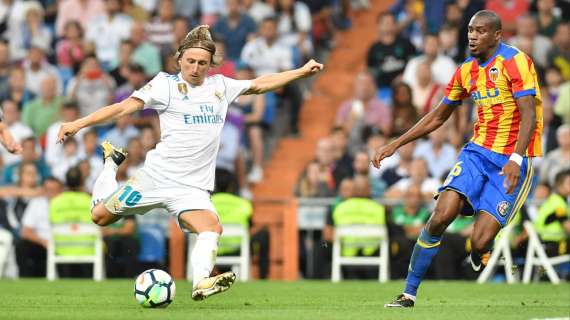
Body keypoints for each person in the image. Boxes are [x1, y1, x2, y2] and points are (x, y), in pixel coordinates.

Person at [57, 25, 323, 300]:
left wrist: (301, 71)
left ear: (211, 65)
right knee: (99, 216)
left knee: (211, 227)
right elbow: (124, 107)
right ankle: (112, 164)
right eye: (191, 61)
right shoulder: (164, 85)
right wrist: (79, 123)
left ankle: (201, 282)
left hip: (191, 187)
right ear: (179, 59)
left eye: (203, 63)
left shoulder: (220, 86)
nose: (196, 68)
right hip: (155, 178)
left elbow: (259, 84)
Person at [374, 11, 543, 307]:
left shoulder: (515, 61)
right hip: (477, 152)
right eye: (470, 30)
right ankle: (408, 293)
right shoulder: (465, 70)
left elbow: (528, 113)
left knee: (479, 241)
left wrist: (516, 158)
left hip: (512, 160)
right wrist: (396, 143)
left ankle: (479, 251)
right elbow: (439, 115)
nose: (472, 36)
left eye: (480, 31)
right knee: (441, 214)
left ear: (496, 35)